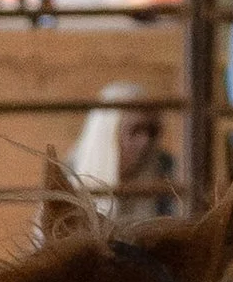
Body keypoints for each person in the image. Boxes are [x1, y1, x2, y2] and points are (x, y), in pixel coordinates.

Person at [64, 82, 179, 223]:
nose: (146, 141)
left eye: (152, 131)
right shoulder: (69, 178)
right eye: (136, 130)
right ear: (109, 133)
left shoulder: (168, 176)